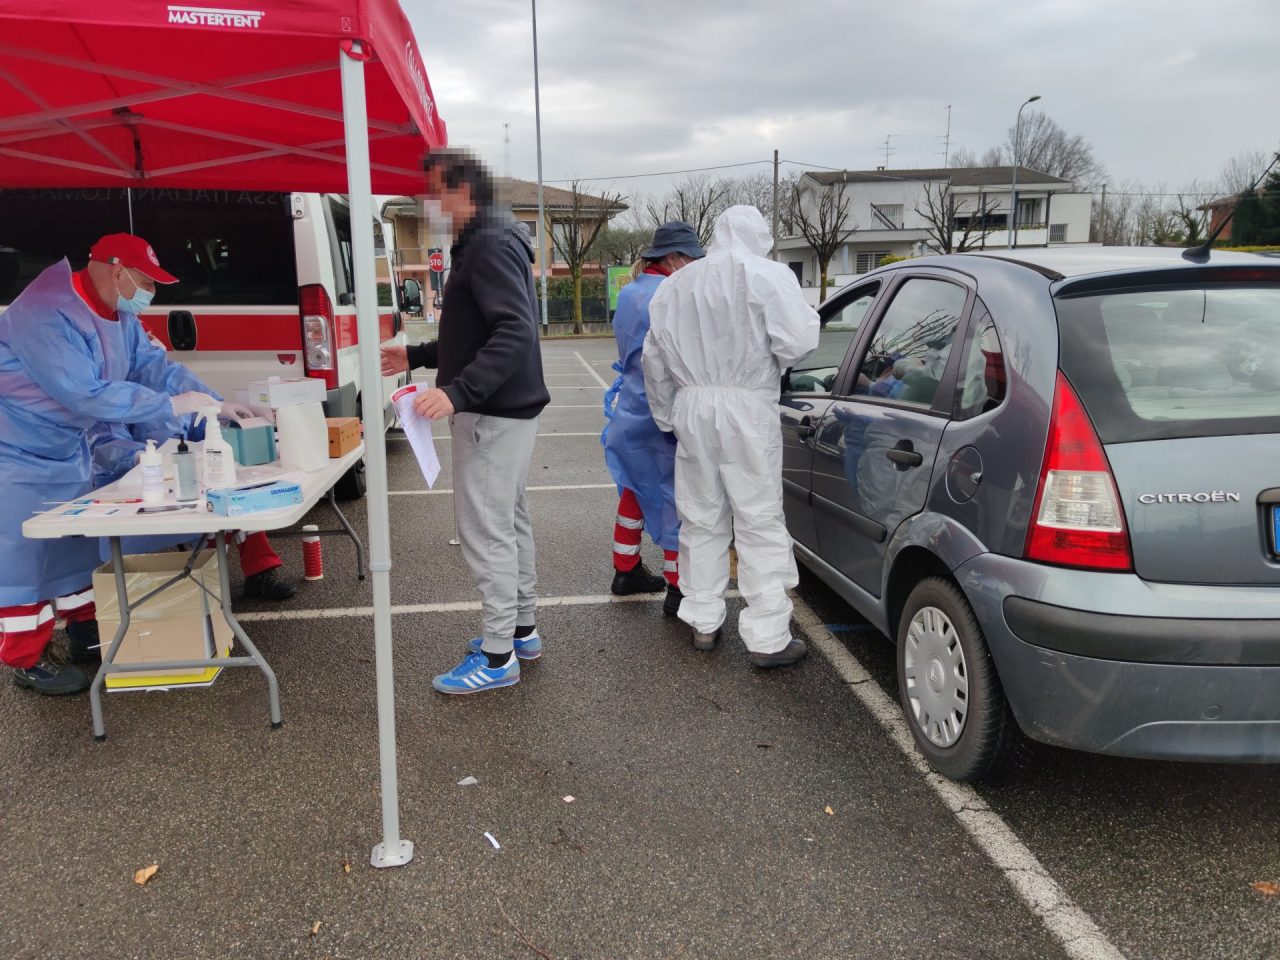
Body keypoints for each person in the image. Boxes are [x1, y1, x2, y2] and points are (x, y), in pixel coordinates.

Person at [0, 233, 251, 694]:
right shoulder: (44, 312)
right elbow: (82, 392)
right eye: (146, 282)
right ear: (117, 271)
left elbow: (154, 368)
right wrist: (168, 406)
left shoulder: (118, 317)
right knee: (24, 560)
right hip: (15, 451)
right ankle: (26, 660)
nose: (150, 293)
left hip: (66, 447)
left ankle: (85, 634)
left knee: (74, 549)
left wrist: (214, 404)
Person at [381, 148, 550, 695]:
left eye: (433, 193)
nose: (426, 204)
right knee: (507, 523)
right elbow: (476, 330)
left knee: (486, 531)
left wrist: (458, 392)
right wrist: (419, 355)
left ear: (462, 191)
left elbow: (514, 331)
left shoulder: (488, 244)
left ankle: (498, 657)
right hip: (504, 412)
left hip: (490, 415)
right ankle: (520, 632)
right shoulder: (490, 240)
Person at [643, 206, 819, 667]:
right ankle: (768, 637)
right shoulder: (768, 274)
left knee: (701, 517)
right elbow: (798, 342)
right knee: (758, 519)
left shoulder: (675, 285)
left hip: (693, 407)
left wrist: (667, 416)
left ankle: (703, 620)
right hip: (748, 407)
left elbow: (653, 361)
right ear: (758, 237)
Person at [601, 222, 704, 616]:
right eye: (692, 258)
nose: (696, 266)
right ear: (674, 258)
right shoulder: (672, 293)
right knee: (674, 500)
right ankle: (678, 590)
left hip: (629, 409)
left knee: (634, 489)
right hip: (661, 414)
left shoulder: (630, 291)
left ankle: (626, 570)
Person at [88, 417, 297, 603]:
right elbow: (107, 443)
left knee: (236, 497)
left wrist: (226, 425)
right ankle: (210, 579)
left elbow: (196, 422)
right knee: (215, 510)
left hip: (182, 477)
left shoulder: (167, 390)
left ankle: (256, 571)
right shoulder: (116, 397)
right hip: (135, 488)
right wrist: (140, 457)